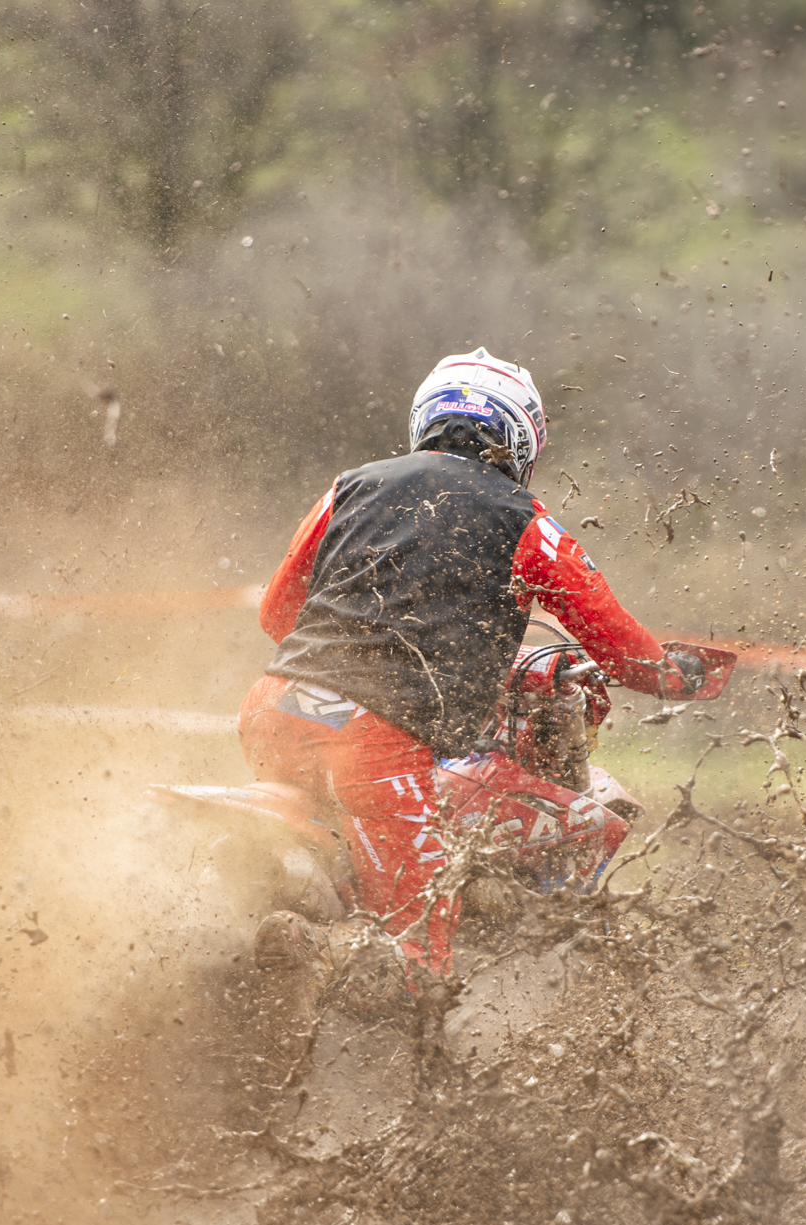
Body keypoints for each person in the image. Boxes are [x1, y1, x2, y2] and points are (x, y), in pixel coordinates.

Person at [241, 347, 708, 1002]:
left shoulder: (350, 486)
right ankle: (319, 950)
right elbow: (620, 647)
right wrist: (675, 674)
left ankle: (312, 941)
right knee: (420, 965)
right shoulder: (524, 520)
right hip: (373, 740)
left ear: (425, 419)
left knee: (349, 852)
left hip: (273, 710)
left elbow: (277, 613)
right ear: (521, 439)